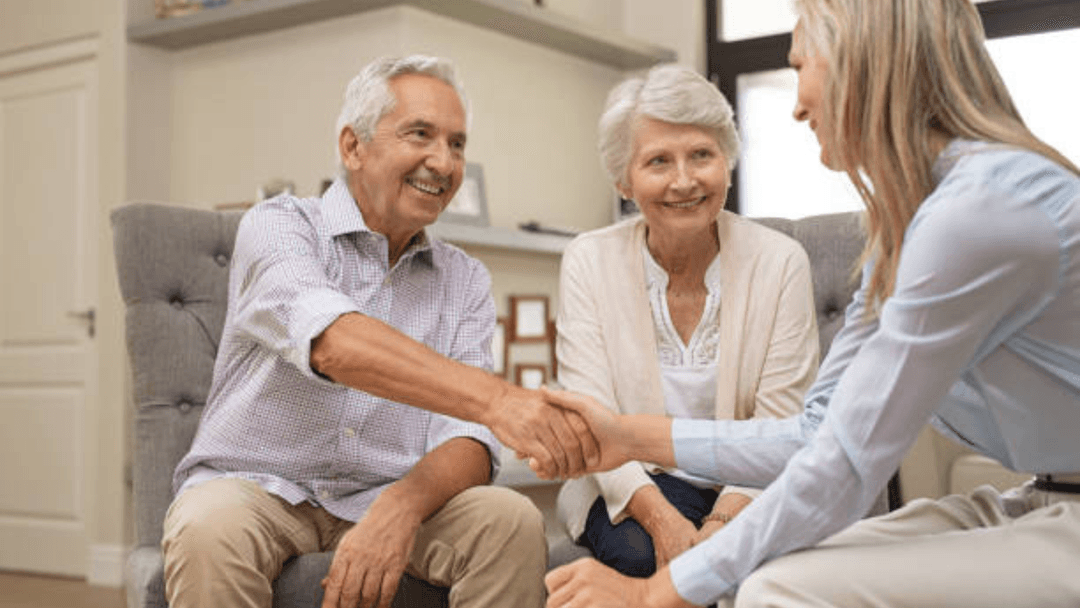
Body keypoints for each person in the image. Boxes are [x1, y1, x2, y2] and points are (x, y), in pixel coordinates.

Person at [544, 0, 1080, 606]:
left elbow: (846, 466)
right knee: (770, 563)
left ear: (859, 63)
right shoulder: (907, 228)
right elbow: (815, 433)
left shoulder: (978, 212)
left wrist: (653, 594)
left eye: (802, 65)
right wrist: (628, 436)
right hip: (1041, 497)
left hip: (1068, 515)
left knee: (773, 587)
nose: (797, 103)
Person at [161, 55, 597, 608]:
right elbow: (333, 342)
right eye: (421, 134)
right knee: (206, 527)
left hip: (386, 492)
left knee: (508, 518)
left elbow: (467, 438)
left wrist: (402, 504)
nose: (442, 162)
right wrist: (501, 401)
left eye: (457, 144)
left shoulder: (464, 278)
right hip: (256, 488)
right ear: (353, 147)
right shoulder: (278, 225)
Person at [554, 64, 819, 579]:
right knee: (643, 555)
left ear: (727, 160)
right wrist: (666, 524)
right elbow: (592, 420)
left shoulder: (781, 261)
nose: (684, 180)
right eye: (658, 161)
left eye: (702, 154)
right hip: (632, 483)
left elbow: (781, 426)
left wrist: (720, 525)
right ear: (623, 180)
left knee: (759, 564)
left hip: (752, 483)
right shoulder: (588, 259)